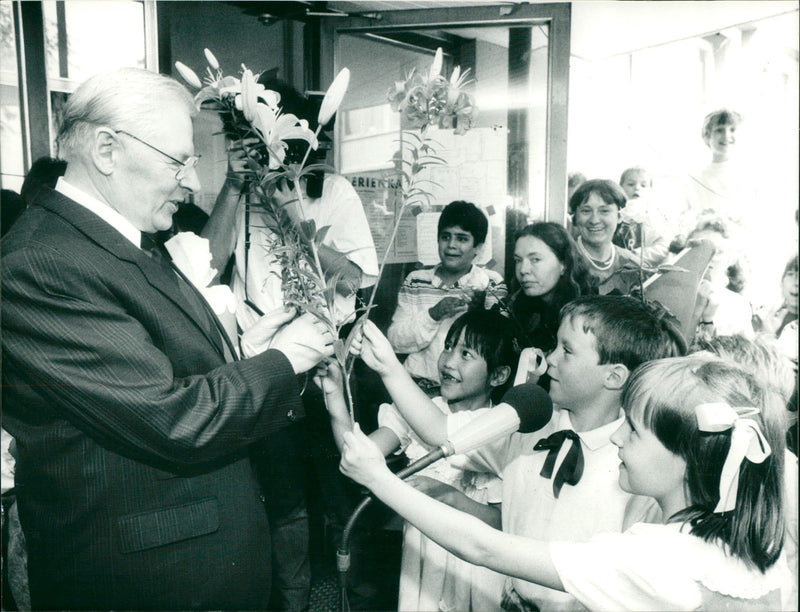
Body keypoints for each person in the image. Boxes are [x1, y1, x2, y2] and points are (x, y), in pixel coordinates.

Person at [0, 67, 334, 611]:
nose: (193, 182)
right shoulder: (41, 263)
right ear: (107, 150)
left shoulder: (123, 240)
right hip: (148, 582)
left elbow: (154, 374)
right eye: (178, 160)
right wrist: (283, 360)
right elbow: (170, 418)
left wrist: (246, 353)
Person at [340, 353, 791, 611]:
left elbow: (482, 548)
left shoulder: (656, 558)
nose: (617, 435)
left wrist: (380, 479)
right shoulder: (759, 549)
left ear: (689, 459)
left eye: (633, 430)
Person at [371, 295, 684, 611]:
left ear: (613, 376)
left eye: (567, 351)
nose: (550, 359)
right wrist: (387, 366)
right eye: (555, 346)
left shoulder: (637, 465)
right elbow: (439, 429)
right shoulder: (525, 424)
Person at [318, 310, 518, 611]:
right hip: (421, 558)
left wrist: (447, 495)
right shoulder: (420, 409)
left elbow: (502, 522)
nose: (449, 361)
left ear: (498, 375)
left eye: (466, 354)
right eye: (449, 347)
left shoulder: (498, 427)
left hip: (474, 568)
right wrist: (334, 397)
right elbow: (357, 453)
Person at [387, 200, 507, 395]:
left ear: (478, 247)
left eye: (462, 238)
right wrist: (433, 314)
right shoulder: (416, 281)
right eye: (445, 237)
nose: (451, 245)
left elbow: (500, 349)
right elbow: (395, 342)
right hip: (417, 389)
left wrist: (479, 315)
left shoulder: (490, 283)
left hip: (469, 395)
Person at [498, 222, 595, 355]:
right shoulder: (515, 305)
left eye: (535, 259)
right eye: (518, 260)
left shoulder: (589, 314)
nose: (523, 270)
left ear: (564, 264)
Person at [568, 179, 642, 295]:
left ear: (619, 216)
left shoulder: (633, 265)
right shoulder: (564, 262)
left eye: (604, 211)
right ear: (575, 217)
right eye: (586, 211)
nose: (594, 220)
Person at [688, 216, 754, 342]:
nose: (708, 257)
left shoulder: (738, 306)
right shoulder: (667, 290)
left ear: (730, 259)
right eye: (701, 248)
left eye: (718, 252)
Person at [614, 166, 671, 267]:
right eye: (631, 184)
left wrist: (637, 254)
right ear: (620, 187)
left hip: (641, 264)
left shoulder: (653, 216)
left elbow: (663, 245)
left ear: (650, 190)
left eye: (643, 185)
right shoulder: (614, 212)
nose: (637, 188)